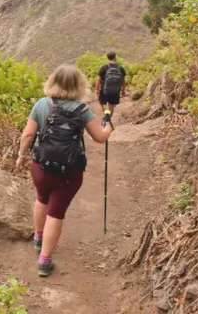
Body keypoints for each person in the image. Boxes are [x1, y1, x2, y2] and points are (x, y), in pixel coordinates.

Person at [15, 65, 114, 277]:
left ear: (53, 81)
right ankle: (44, 261)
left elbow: (27, 135)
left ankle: (38, 239)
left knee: (41, 199)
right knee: (56, 212)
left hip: (41, 167)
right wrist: (109, 127)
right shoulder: (82, 110)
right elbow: (100, 138)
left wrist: (21, 156)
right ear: (78, 85)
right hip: (69, 172)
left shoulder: (42, 104)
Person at [95, 51, 126, 115]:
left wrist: (97, 90)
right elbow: (123, 81)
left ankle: (106, 114)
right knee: (111, 105)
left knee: (102, 103)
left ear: (107, 58)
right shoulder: (120, 68)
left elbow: (98, 80)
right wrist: (123, 90)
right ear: (115, 57)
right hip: (115, 91)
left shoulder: (104, 67)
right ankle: (108, 117)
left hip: (104, 90)